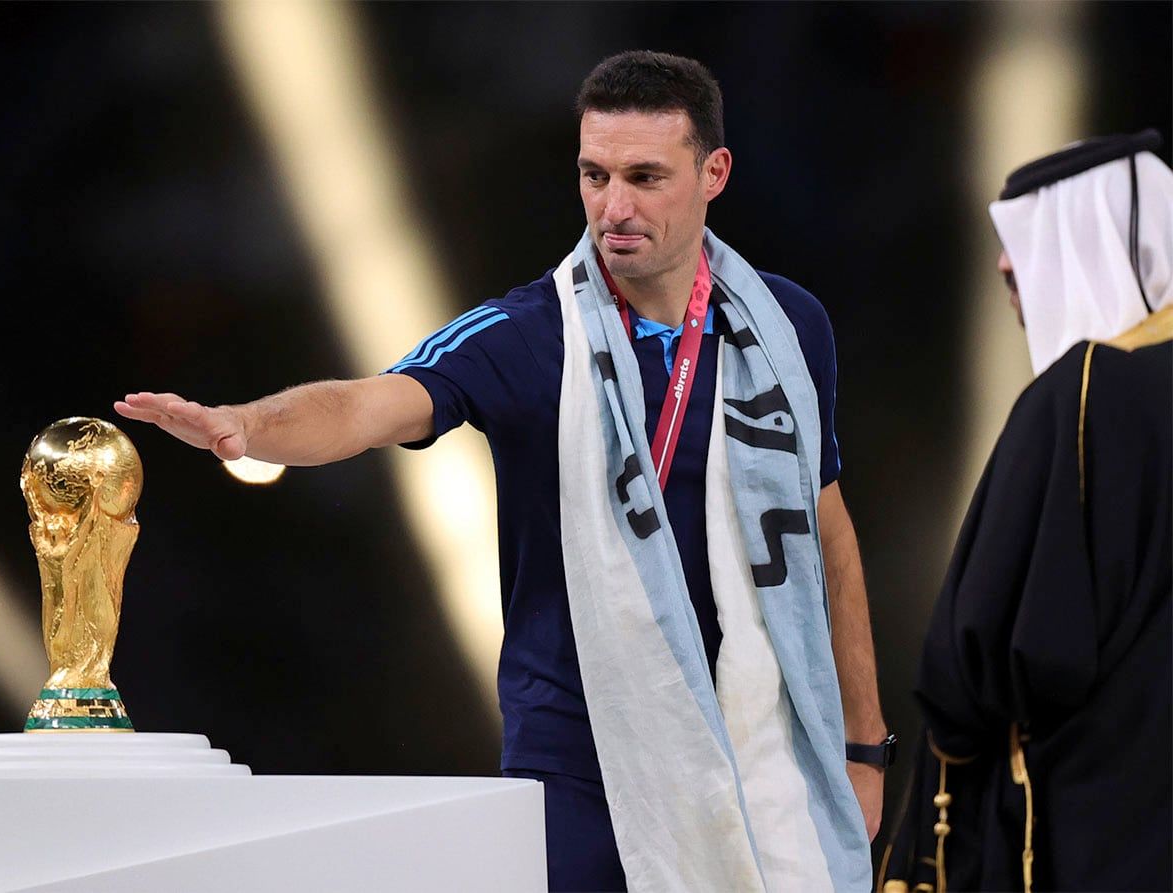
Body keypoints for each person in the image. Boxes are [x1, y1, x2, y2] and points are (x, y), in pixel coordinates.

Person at [118, 51, 887, 892]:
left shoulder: (787, 328)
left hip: (760, 748)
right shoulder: (528, 334)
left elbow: (824, 535)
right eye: (593, 176)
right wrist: (248, 424)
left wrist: (861, 742)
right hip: (577, 762)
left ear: (715, 173)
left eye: (643, 176)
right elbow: (368, 404)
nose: (613, 207)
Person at [881, 130, 1172, 893]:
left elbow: (977, 658)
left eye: (1024, 238)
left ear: (1089, 236)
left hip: (1081, 839)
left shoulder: (1083, 393)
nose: (1006, 265)